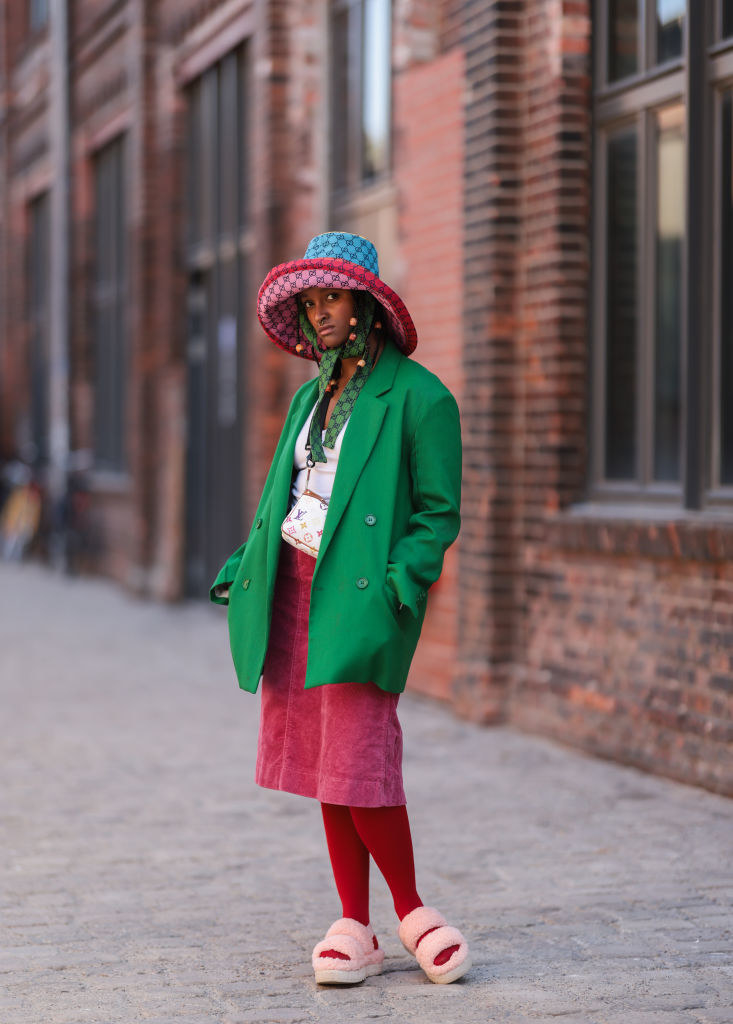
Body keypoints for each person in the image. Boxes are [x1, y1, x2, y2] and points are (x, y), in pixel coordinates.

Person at [210, 232, 470, 985]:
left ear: (366, 305)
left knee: (359, 753)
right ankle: (354, 925)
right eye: (311, 302)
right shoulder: (309, 395)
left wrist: (399, 584)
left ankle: (414, 911)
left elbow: (437, 514)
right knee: (326, 761)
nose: (320, 313)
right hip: (292, 584)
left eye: (331, 298)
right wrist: (244, 565)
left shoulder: (421, 398)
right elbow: (283, 498)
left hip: (357, 594)